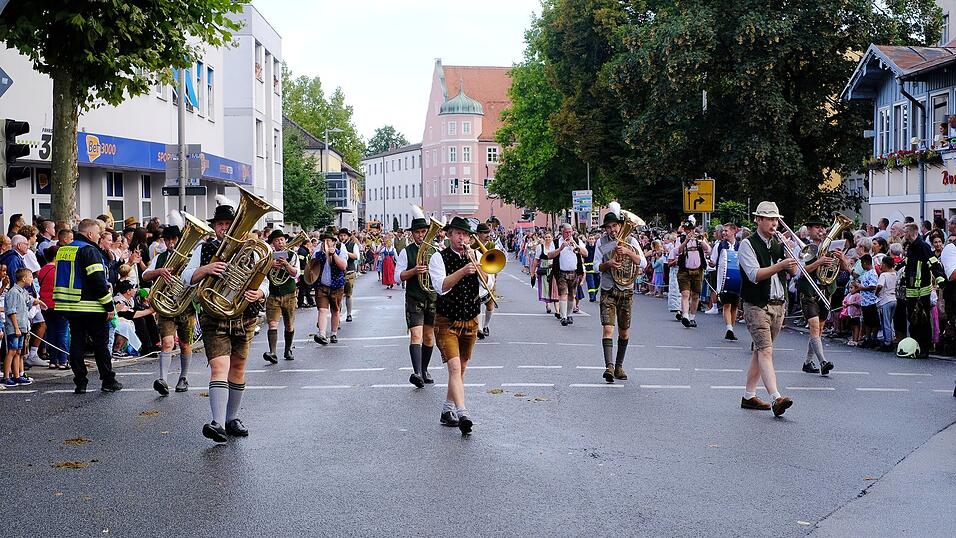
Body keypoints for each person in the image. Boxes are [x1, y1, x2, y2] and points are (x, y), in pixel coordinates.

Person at [181, 198, 268, 442]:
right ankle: (217, 423)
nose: (224, 228)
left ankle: (231, 419)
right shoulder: (205, 249)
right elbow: (187, 276)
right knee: (219, 367)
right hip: (214, 315)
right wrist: (206, 269)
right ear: (214, 227)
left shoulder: (252, 249)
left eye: (228, 223)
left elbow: (265, 281)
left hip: (244, 315)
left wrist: (260, 293)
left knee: (238, 368)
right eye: (220, 224)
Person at [737, 202, 798, 418]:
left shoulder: (778, 244)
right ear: (758, 220)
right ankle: (776, 397)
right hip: (757, 304)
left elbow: (793, 274)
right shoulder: (748, 244)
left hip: (778, 303)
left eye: (776, 220)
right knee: (765, 350)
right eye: (770, 219)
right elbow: (754, 275)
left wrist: (790, 257)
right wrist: (780, 265)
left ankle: (749, 396)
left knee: (760, 350)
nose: (774, 224)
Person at [53, 219, 123, 394]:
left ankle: (80, 382)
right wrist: (109, 306)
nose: (99, 236)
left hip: (69, 306)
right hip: (91, 306)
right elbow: (97, 281)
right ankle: (108, 380)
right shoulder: (89, 250)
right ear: (90, 234)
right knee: (101, 345)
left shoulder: (64, 249)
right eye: (98, 233)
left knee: (77, 343)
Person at [428, 217, 481, 434]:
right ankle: (463, 413)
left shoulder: (476, 256)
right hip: (447, 320)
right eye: (458, 233)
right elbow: (441, 286)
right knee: (455, 367)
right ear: (449, 235)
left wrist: (477, 266)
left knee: (462, 367)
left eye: (465, 234)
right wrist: (463, 271)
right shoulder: (438, 258)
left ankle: (447, 409)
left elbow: (488, 285)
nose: (462, 238)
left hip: (471, 318)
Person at [595, 205, 646, 383]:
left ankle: (619, 366)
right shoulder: (602, 243)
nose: (612, 230)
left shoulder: (631, 241)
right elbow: (596, 266)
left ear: (620, 225)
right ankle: (608, 366)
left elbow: (643, 263)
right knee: (608, 328)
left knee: (624, 332)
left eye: (614, 226)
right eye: (608, 227)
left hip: (626, 290)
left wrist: (628, 252)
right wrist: (608, 263)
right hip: (608, 289)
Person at [797, 216, 848, 375]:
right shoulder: (804, 247)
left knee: (818, 329)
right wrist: (819, 262)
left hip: (826, 291)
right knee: (814, 326)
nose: (821, 230)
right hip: (809, 291)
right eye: (817, 227)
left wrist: (841, 259)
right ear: (809, 229)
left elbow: (845, 269)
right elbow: (800, 272)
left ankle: (807, 362)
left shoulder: (832, 246)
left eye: (823, 227)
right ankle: (823, 362)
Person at [395, 212, 437, 387]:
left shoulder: (435, 251)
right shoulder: (406, 252)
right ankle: (417, 372)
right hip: (414, 298)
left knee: (428, 337)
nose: (420, 235)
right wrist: (414, 271)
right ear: (412, 234)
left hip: (432, 298)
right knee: (416, 335)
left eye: (423, 232)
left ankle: (424, 369)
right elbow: (397, 277)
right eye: (417, 232)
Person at [901, 223, 947, 358]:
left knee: (923, 321)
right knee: (913, 320)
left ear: (911, 233)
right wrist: (903, 278)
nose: (904, 235)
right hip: (911, 291)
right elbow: (908, 266)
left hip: (922, 291)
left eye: (905, 232)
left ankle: (924, 349)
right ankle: (914, 347)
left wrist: (941, 280)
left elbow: (934, 264)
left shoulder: (923, 246)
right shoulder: (911, 247)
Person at [262, 230, 299, 363]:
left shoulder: (292, 255)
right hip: (273, 294)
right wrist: (270, 265)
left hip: (289, 293)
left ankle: (288, 349)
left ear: (285, 241)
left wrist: (286, 264)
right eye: (277, 240)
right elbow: (260, 271)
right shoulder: (268, 256)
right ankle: (272, 352)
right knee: (272, 323)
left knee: (289, 324)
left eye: (282, 240)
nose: (280, 242)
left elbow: (295, 274)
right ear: (273, 243)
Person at [3, 268, 42, 386]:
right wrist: (16, 327)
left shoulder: (23, 292)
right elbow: (12, 311)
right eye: (30, 277)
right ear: (24, 278)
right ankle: (6, 376)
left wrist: (38, 302)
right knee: (12, 351)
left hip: (23, 327)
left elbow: (30, 301)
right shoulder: (13, 292)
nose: (32, 279)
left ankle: (17, 376)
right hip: (15, 327)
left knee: (18, 351)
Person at [308, 231, 347, 345]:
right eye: (324, 241)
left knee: (335, 310)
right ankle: (322, 334)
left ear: (334, 242)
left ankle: (334, 333)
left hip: (336, 286)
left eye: (328, 240)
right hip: (321, 286)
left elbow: (343, 266)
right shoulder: (318, 253)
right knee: (322, 310)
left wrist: (333, 254)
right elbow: (311, 268)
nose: (325, 243)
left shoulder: (340, 252)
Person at [674, 216, 711, 328]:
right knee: (685, 293)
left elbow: (708, 250)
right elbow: (677, 252)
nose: (690, 231)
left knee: (695, 295)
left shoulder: (700, 238)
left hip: (698, 270)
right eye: (687, 229)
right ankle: (685, 316)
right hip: (684, 270)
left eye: (691, 229)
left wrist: (701, 241)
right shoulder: (680, 239)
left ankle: (692, 317)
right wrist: (686, 241)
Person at [546, 223, 587, 326]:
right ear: (562, 232)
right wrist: (560, 248)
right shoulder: (556, 242)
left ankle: (569, 315)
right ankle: (563, 317)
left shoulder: (577, 240)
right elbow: (549, 255)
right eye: (566, 232)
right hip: (561, 272)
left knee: (572, 295)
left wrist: (576, 245)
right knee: (563, 294)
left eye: (570, 232)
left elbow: (586, 253)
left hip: (574, 272)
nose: (568, 234)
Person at [36, 245, 69, 370]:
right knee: (62, 333)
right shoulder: (59, 270)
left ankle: (53, 361)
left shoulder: (42, 270)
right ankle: (63, 360)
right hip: (59, 304)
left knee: (51, 333)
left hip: (45, 305)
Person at [711, 222, 741, 340]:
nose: (723, 233)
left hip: (737, 279)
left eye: (726, 231)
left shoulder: (741, 245)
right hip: (724, 279)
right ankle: (729, 328)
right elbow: (714, 261)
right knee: (727, 304)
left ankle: (731, 329)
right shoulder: (719, 245)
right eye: (723, 231)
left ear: (733, 231)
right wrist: (712, 263)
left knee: (735, 305)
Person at [473, 222, 497, 339]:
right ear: (478, 234)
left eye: (488, 232)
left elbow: (497, 262)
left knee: (489, 305)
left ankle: (486, 325)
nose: (488, 235)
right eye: (485, 233)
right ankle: (479, 329)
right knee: (477, 304)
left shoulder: (492, 245)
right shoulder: (473, 246)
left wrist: (495, 279)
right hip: (476, 278)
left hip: (490, 276)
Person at [337, 228, 361, 322]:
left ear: (348, 236)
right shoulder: (336, 245)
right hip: (338, 272)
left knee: (348, 294)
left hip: (349, 271)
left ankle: (349, 314)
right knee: (338, 294)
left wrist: (345, 252)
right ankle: (337, 316)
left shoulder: (352, 245)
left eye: (344, 235)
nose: (342, 237)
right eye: (341, 235)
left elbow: (356, 256)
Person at [875, 256, 898, 352]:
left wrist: (876, 293)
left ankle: (887, 342)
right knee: (890, 321)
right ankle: (891, 338)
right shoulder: (895, 274)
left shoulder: (883, 275)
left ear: (884, 264)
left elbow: (880, 285)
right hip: (893, 299)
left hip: (885, 300)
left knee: (885, 322)